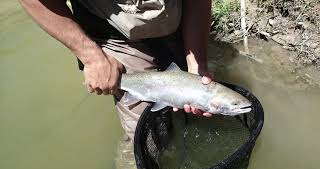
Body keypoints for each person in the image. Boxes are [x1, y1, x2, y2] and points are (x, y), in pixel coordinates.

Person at [19, 0, 213, 141]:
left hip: (174, 16)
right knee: (150, 136)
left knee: (192, 116)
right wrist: (91, 57)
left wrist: (197, 64)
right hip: (113, 32)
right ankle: (130, 157)